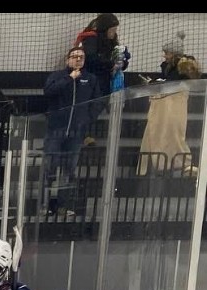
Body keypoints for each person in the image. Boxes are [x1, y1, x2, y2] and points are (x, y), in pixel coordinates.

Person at [42, 46, 102, 218]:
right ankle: (45, 204)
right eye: (74, 57)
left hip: (76, 133)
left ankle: (62, 206)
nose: (78, 60)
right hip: (56, 129)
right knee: (50, 167)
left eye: (81, 57)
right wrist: (69, 79)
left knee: (69, 171)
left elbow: (97, 101)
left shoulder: (90, 79)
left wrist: (88, 118)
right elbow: (49, 92)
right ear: (68, 59)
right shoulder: (57, 76)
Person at [138, 33, 201, 177]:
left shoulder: (184, 65)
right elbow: (169, 82)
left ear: (174, 53)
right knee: (162, 133)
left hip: (175, 103)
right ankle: (163, 164)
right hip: (163, 103)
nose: (164, 56)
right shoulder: (168, 67)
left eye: (166, 53)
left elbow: (183, 80)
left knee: (174, 133)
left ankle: (181, 163)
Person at [77, 13, 125, 103]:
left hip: (106, 79)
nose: (114, 32)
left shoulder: (112, 41)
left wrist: (122, 61)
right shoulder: (91, 39)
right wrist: (111, 64)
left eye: (115, 29)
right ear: (105, 29)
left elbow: (116, 56)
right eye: (112, 30)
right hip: (92, 79)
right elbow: (91, 58)